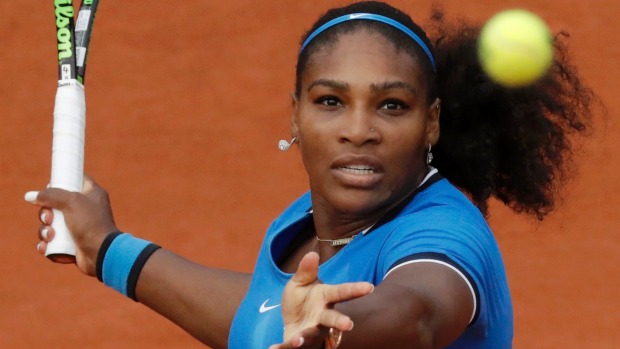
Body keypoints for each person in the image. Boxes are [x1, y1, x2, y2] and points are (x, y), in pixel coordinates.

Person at [26, 1, 596, 348]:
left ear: (432, 124)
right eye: (330, 101)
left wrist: (329, 325)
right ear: (294, 113)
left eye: (392, 105)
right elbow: (259, 315)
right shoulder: (299, 227)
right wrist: (107, 249)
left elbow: (417, 315)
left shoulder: (446, 234)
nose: (358, 129)